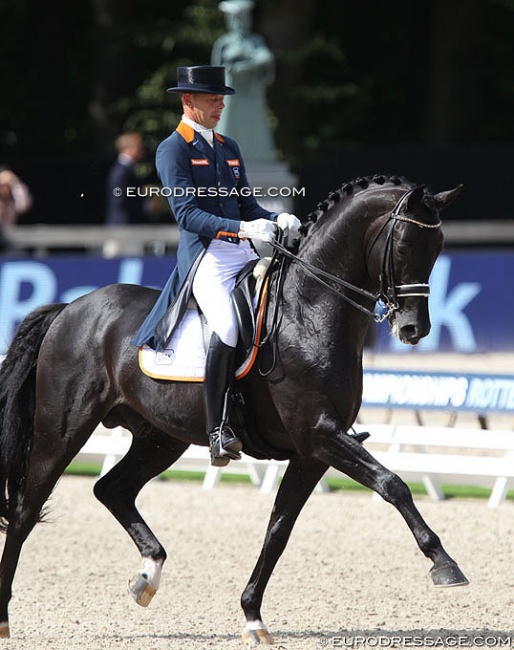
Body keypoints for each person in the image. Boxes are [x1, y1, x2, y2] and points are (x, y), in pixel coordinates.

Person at [131, 65, 301, 466]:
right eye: (212, 99)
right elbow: (188, 215)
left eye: (221, 99)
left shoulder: (227, 146)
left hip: (242, 251)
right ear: (188, 101)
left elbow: (248, 204)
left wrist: (275, 217)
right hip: (207, 257)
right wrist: (243, 227)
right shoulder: (173, 149)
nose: (220, 105)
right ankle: (217, 429)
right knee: (226, 324)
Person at [211, 0, 276, 163]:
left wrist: (249, 66)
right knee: (229, 125)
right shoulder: (224, 43)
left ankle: (259, 156)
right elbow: (215, 71)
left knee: (255, 126)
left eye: (244, 18)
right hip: (231, 94)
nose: (240, 23)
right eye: (236, 19)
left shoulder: (255, 41)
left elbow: (266, 59)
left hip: (252, 93)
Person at [105, 132, 147, 224]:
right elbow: (120, 201)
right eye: (139, 147)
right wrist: (146, 206)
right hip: (123, 226)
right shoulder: (121, 172)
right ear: (127, 148)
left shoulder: (125, 170)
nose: (142, 150)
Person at [0, 166, 33, 252]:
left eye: (7, 186)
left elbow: (23, 206)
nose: (4, 188)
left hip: (9, 240)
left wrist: (15, 183)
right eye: (1, 185)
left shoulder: (13, 203)